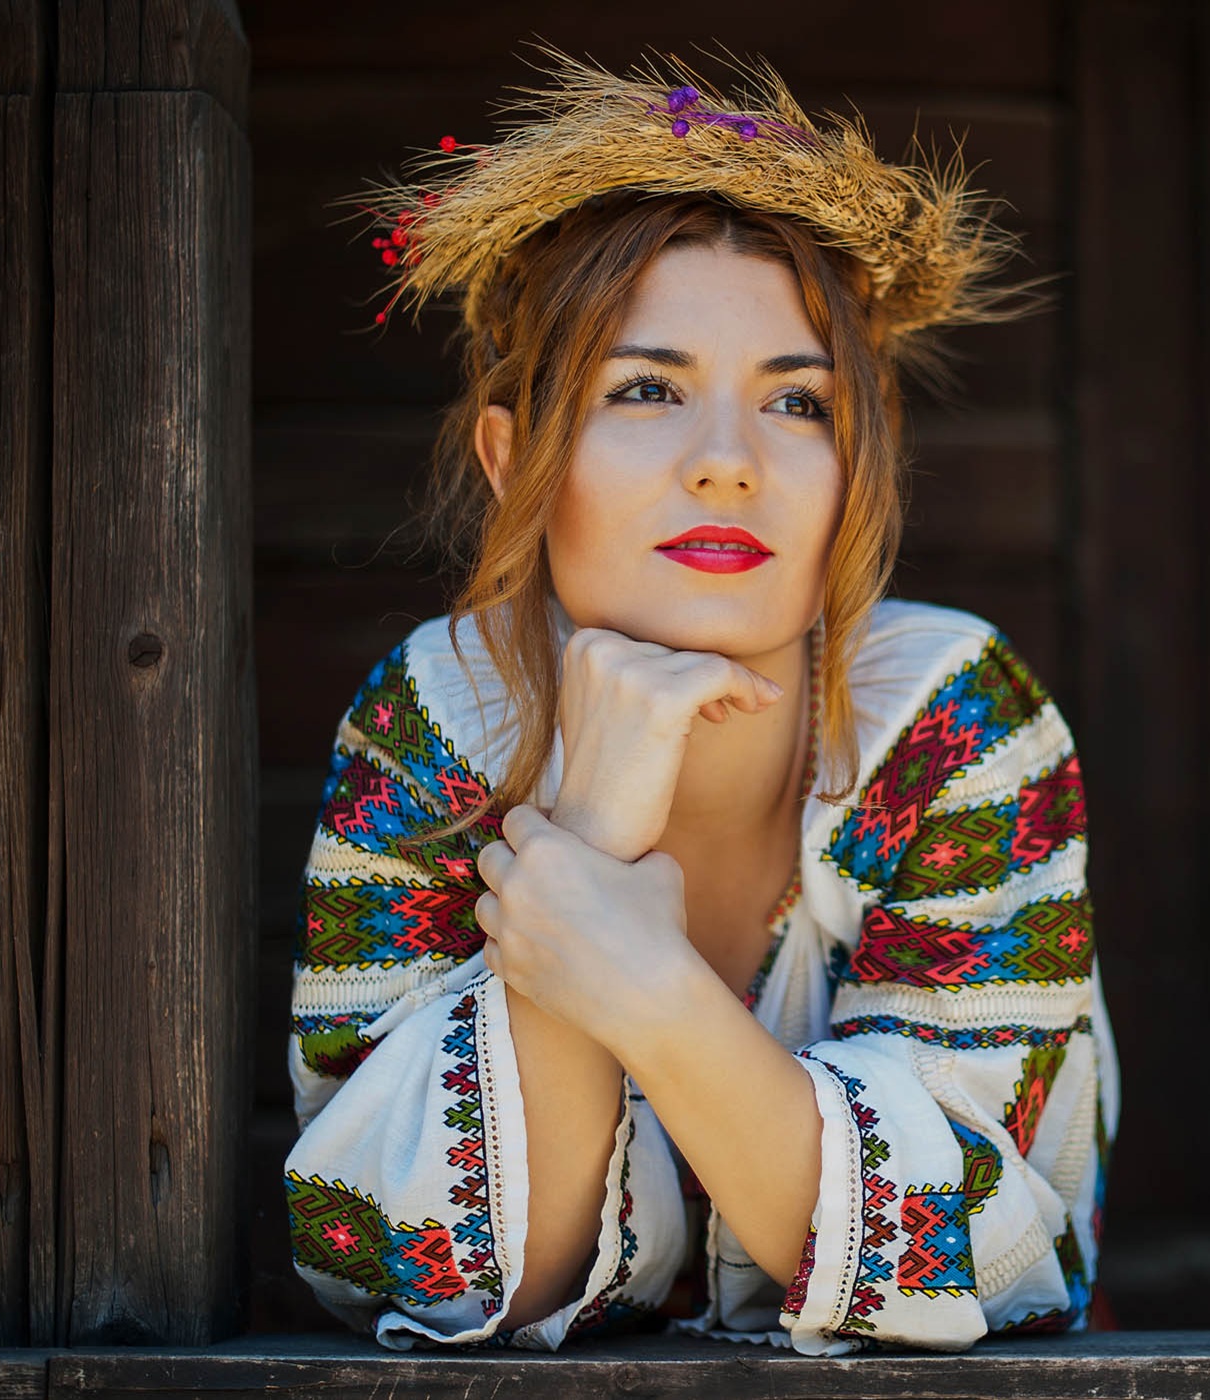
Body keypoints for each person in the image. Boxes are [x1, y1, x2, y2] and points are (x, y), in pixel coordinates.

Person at [283, 48, 1120, 1355]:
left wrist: (636, 982)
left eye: (797, 402)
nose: (728, 464)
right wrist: (593, 829)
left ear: (858, 461)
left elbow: (984, 1255)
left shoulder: (954, 727)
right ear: (516, 461)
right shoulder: (439, 728)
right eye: (648, 389)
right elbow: (430, 1272)